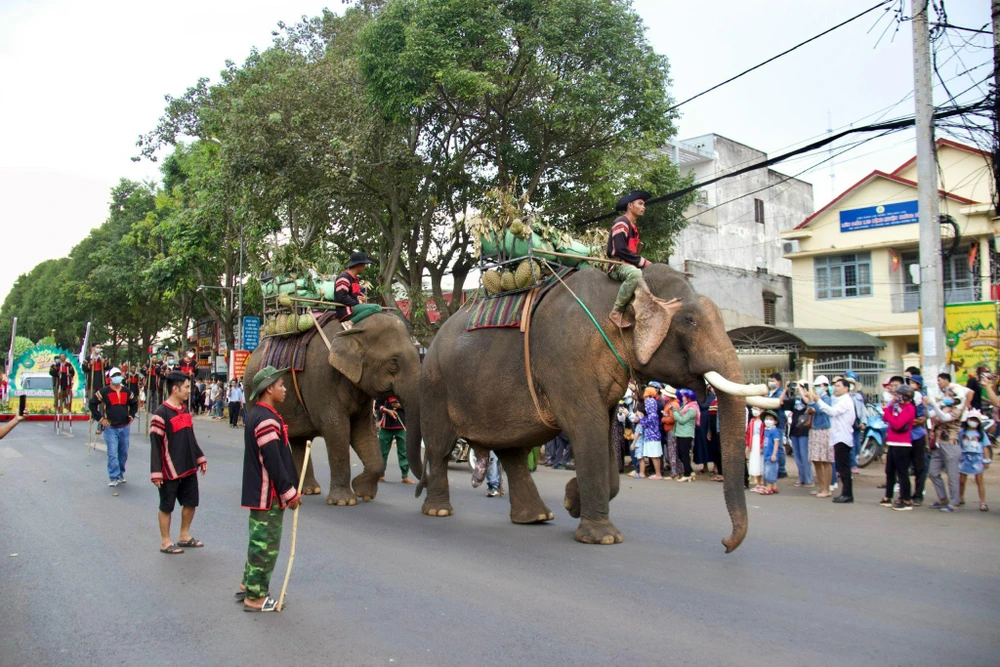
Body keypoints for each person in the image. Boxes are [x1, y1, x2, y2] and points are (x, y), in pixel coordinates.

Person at [239, 366, 302, 612]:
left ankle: (248, 584)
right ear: (268, 389)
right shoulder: (265, 419)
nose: (284, 390)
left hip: (262, 492)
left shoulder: (260, 414)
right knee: (265, 544)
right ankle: (255, 596)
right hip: (269, 494)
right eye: (281, 385)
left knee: (257, 540)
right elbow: (273, 461)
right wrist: (289, 492)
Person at [150, 372, 207, 554]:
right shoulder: (161, 414)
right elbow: (156, 446)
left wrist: (200, 457)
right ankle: (165, 541)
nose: (189, 391)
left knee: (191, 502)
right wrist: (156, 472)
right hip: (169, 469)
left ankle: (184, 535)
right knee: (167, 505)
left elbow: (190, 437)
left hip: (189, 465)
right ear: (175, 389)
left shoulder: (185, 410)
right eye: (186, 387)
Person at [605, 190, 652, 329]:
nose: (644, 207)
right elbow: (620, 249)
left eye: (644, 204)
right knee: (635, 275)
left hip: (629, 264)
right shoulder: (622, 222)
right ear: (630, 205)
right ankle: (616, 312)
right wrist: (643, 262)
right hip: (618, 265)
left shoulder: (633, 227)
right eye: (640, 203)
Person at [89, 367, 138, 487]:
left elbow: (134, 403)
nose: (117, 377)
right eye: (115, 375)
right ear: (110, 378)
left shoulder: (127, 392)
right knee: (112, 453)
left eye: (119, 374)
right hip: (110, 428)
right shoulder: (104, 392)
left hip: (124, 427)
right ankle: (113, 476)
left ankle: (121, 473)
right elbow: (92, 403)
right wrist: (100, 419)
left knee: (123, 453)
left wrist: (131, 416)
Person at [813, 378, 856, 504]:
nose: (835, 388)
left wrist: (818, 401)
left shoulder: (846, 401)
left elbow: (832, 412)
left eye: (838, 386)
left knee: (844, 468)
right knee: (842, 468)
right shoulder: (839, 400)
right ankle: (845, 493)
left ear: (846, 388)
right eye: (835, 386)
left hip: (842, 437)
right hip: (838, 436)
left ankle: (847, 494)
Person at [923, 386, 963, 512]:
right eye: (946, 394)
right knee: (933, 472)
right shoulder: (941, 407)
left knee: (952, 475)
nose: (947, 396)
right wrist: (925, 405)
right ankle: (943, 498)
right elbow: (929, 415)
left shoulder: (958, 410)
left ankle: (954, 502)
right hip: (938, 444)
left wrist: (934, 403)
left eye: (950, 395)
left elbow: (945, 418)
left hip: (951, 444)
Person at [881, 383, 916, 511]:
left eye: (898, 395)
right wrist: (889, 407)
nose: (896, 397)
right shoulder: (897, 407)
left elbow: (897, 424)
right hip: (892, 442)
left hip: (902, 443)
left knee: (902, 473)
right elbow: (886, 418)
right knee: (889, 471)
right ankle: (888, 496)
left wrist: (887, 413)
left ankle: (905, 499)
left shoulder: (909, 408)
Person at [334, 252, 381, 328]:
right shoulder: (343, 278)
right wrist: (357, 302)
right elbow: (341, 297)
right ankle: (349, 323)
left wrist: (362, 299)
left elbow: (355, 295)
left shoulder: (355, 279)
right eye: (364, 265)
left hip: (354, 307)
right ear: (359, 265)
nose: (364, 267)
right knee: (377, 307)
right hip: (346, 310)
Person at [806, 376, 835, 498]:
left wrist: (815, 402)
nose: (817, 388)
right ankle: (821, 487)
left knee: (825, 460)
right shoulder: (817, 399)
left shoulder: (827, 399)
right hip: (815, 429)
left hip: (824, 430)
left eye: (819, 386)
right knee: (816, 460)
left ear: (825, 386)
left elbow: (822, 410)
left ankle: (827, 488)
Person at [375, 395, 412, 484]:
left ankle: (405, 476)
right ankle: (380, 474)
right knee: (382, 452)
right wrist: (386, 410)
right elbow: (377, 404)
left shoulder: (404, 389)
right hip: (386, 426)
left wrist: (400, 405)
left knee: (404, 451)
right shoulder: (385, 391)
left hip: (402, 425)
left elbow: (412, 404)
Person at [783, 381, 814, 487]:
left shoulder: (809, 398)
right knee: (797, 456)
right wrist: (787, 390)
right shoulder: (795, 399)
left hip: (804, 430)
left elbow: (808, 402)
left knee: (805, 456)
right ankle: (801, 478)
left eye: (800, 386)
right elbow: (785, 404)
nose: (797, 388)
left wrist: (802, 390)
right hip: (794, 429)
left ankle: (808, 479)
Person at [958, 409, 989, 512]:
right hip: (965, 456)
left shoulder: (981, 434)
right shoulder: (962, 432)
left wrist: (986, 459)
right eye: (971, 419)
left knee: (979, 480)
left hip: (977, 458)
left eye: (975, 420)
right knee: (962, 480)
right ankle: (960, 497)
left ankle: (982, 502)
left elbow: (985, 446)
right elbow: (959, 444)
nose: (973, 422)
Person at [906, 375, 929, 506]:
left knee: (919, 467)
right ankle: (906, 494)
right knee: (904, 467)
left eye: (913, 383)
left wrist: (909, 421)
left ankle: (918, 494)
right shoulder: (901, 400)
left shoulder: (920, 399)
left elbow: (922, 418)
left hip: (917, 436)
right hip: (904, 437)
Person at [671, 388, 699, 482]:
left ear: (688, 398)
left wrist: (674, 412)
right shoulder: (685, 406)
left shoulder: (692, 409)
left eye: (685, 397)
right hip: (680, 433)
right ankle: (690, 472)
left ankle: (687, 474)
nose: (683, 398)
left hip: (686, 434)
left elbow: (682, 420)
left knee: (685, 454)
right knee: (680, 454)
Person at [766, 373, 788, 478]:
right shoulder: (769, 393)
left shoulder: (781, 393)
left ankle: (782, 470)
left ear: (778, 382)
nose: (770, 382)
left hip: (778, 423)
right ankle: (774, 467)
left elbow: (779, 404)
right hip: (769, 423)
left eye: (773, 380)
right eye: (769, 380)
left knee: (778, 447)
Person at [639, 387, 664, 480]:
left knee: (654, 456)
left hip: (651, 436)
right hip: (655, 436)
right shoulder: (654, 415)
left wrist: (641, 417)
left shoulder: (651, 415)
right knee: (656, 456)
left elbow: (645, 424)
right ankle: (658, 473)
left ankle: (658, 474)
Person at [845, 371, 866, 474]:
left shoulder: (858, 396)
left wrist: (863, 422)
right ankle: (852, 465)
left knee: (857, 445)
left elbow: (862, 409)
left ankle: (853, 461)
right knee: (851, 445)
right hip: (847, 423)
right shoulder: (844, 397)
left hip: (856, 423)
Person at [660, 386, 683, 480]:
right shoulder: (671, 403)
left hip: (672, 430)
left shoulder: (673, 405)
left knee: (672, 451)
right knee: (674, 451)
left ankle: (674, 473)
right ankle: (679, 470)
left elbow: (673, 419)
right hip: (671, 429)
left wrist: (663, 419)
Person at [761, 411, 783, 495]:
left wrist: (774, 454)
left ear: (775, 421)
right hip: (766, 454)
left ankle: (769, 488)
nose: (768, 421)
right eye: (766, 419)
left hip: (771, 455)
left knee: (770, 471)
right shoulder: (766, 430)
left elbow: (776, 443)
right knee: (768, 470)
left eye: (771, 419)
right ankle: (774, 486)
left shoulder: (775, 431)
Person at [745, 407, 765, 490]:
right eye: (754, 409)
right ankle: (757, 481)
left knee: (761, 461)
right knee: (754, 461)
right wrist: (747, 445)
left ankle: (762, 482)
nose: (754, 411)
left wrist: (762, 446)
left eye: (757, 409)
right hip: (753, 442)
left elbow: (764, 434)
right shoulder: (752, 421)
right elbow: (748, 433)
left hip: (759, 442)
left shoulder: (763, 422)